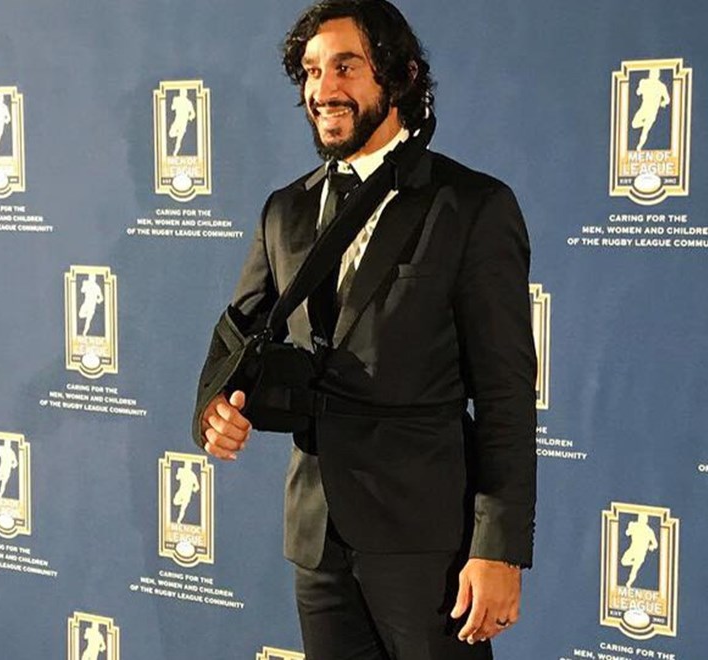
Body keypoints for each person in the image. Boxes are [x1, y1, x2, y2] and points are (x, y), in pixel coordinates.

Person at [192, 2, 536, 658]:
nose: (323, 89)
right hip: (316, 531)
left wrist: (498, 548)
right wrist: (211, 410)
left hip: (427, 538)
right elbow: (233, 338)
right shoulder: (285, 209)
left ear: (401, 76)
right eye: (311, 71)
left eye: (346, 67)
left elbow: (505, 396)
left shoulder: (470, 205)